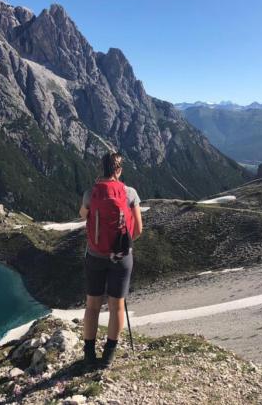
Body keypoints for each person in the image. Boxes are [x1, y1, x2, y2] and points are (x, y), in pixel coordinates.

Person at [78, 152, 143, 368]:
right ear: (119, 170)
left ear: (101, 168)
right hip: (122, 257)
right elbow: (138, 229)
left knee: (92, 305)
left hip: (95, 255)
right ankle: (108, 357)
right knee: (117, 307)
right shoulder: (130, 193)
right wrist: (121, 245)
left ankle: (89, 355)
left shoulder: (91, 193)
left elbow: (82, 215)